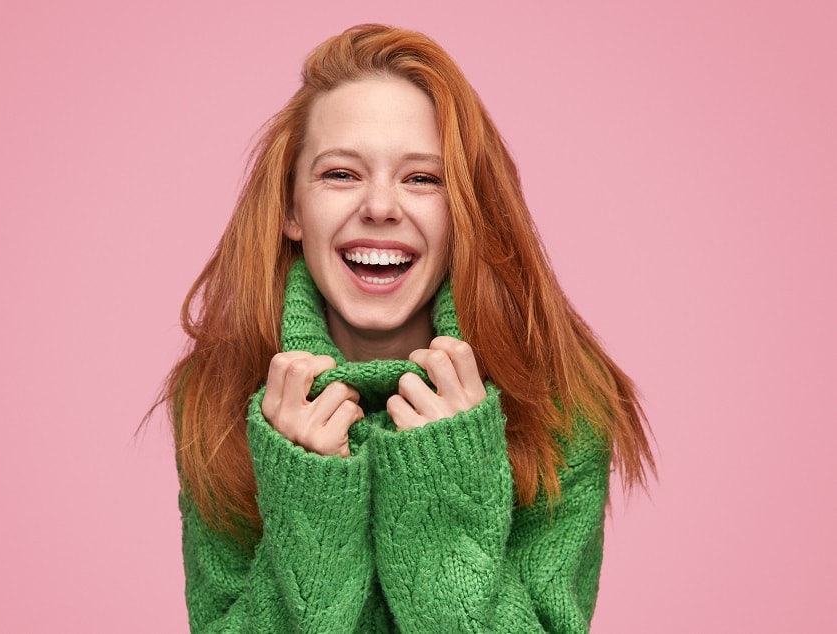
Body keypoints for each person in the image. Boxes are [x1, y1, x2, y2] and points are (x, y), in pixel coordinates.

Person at [162, 23, 655, 633]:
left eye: (422, 178)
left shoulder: (560, 404)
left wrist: (445, 497)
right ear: (292, 208)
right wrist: (306, 505)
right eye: (341, 174)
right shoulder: (215, 396)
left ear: (464, 212)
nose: (380, 206)